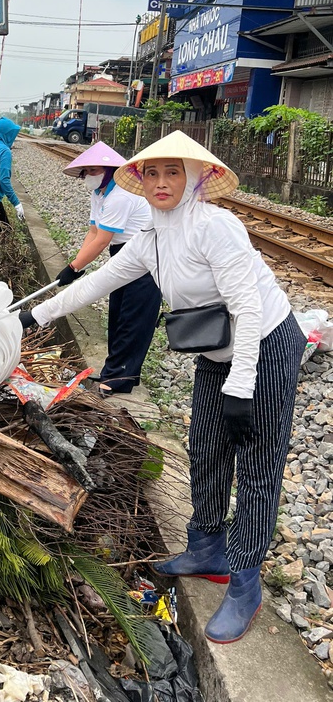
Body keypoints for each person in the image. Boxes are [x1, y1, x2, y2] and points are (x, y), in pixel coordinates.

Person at [19, 132, 305, 645]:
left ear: (195, 177)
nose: (160, 182)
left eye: (173, 171)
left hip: (264, 344)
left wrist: (242, 385)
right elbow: (97, 282)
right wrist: (31, 316)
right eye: (151, 173)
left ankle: (245, 582)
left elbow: (247, 308)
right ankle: (207, 546)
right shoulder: (150, 237)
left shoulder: (216, 227)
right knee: (207, 449)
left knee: (257, 465)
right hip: (218, 351)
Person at [57, 141, 161, 396]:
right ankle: (114, 372)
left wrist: (74, 267)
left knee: (133, 320)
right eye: (86, 172)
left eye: (94, 170)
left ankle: (118, 379)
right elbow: (93, 231)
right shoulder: (100, 193)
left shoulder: (121, 195)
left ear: (110, 170)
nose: (88, 176)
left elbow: (102, 240)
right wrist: (75, 265)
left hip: (146, 260)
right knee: (117, 315)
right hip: (122, 255)